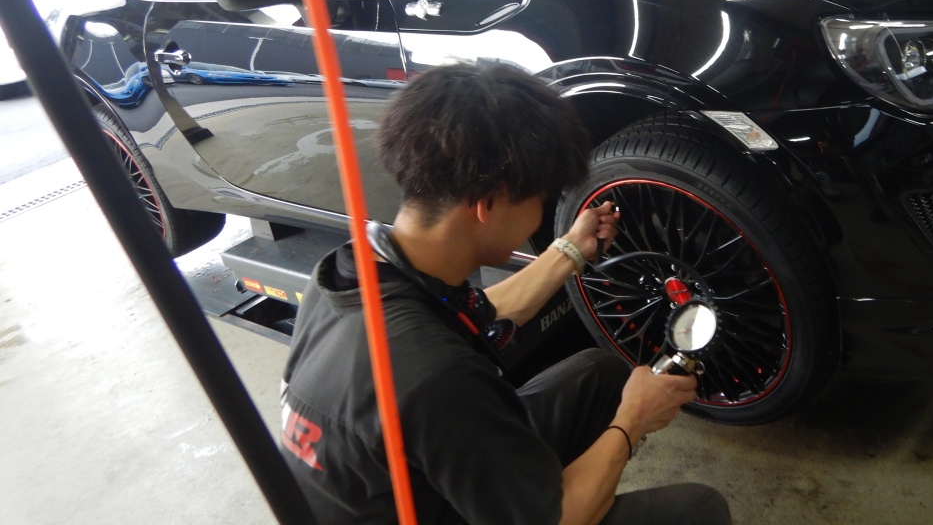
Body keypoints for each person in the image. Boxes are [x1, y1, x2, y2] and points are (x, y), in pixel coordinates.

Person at [279, 61, 732, 525]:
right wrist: (632, 421)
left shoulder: (351, 273)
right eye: (538, 200)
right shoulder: (438, 376)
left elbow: (479, 313)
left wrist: (569, 250)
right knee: (698, 510)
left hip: (407, 484)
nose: (540, 215)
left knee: (598, 375)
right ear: (488, 204)